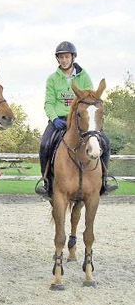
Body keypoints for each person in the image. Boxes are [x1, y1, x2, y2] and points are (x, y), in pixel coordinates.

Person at [35, 41, 117, 197]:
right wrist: (54, 119)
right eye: (60, 57)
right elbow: (49, 103)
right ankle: (46, 181)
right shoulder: (52, 79)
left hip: (81, 119)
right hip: (59, 120)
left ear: (73, 57)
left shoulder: (84, 76)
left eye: (66, 57)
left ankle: (104, 179)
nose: (64, 60)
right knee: (45, 144)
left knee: (105, 141)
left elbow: (91, 98)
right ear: (57, 59)